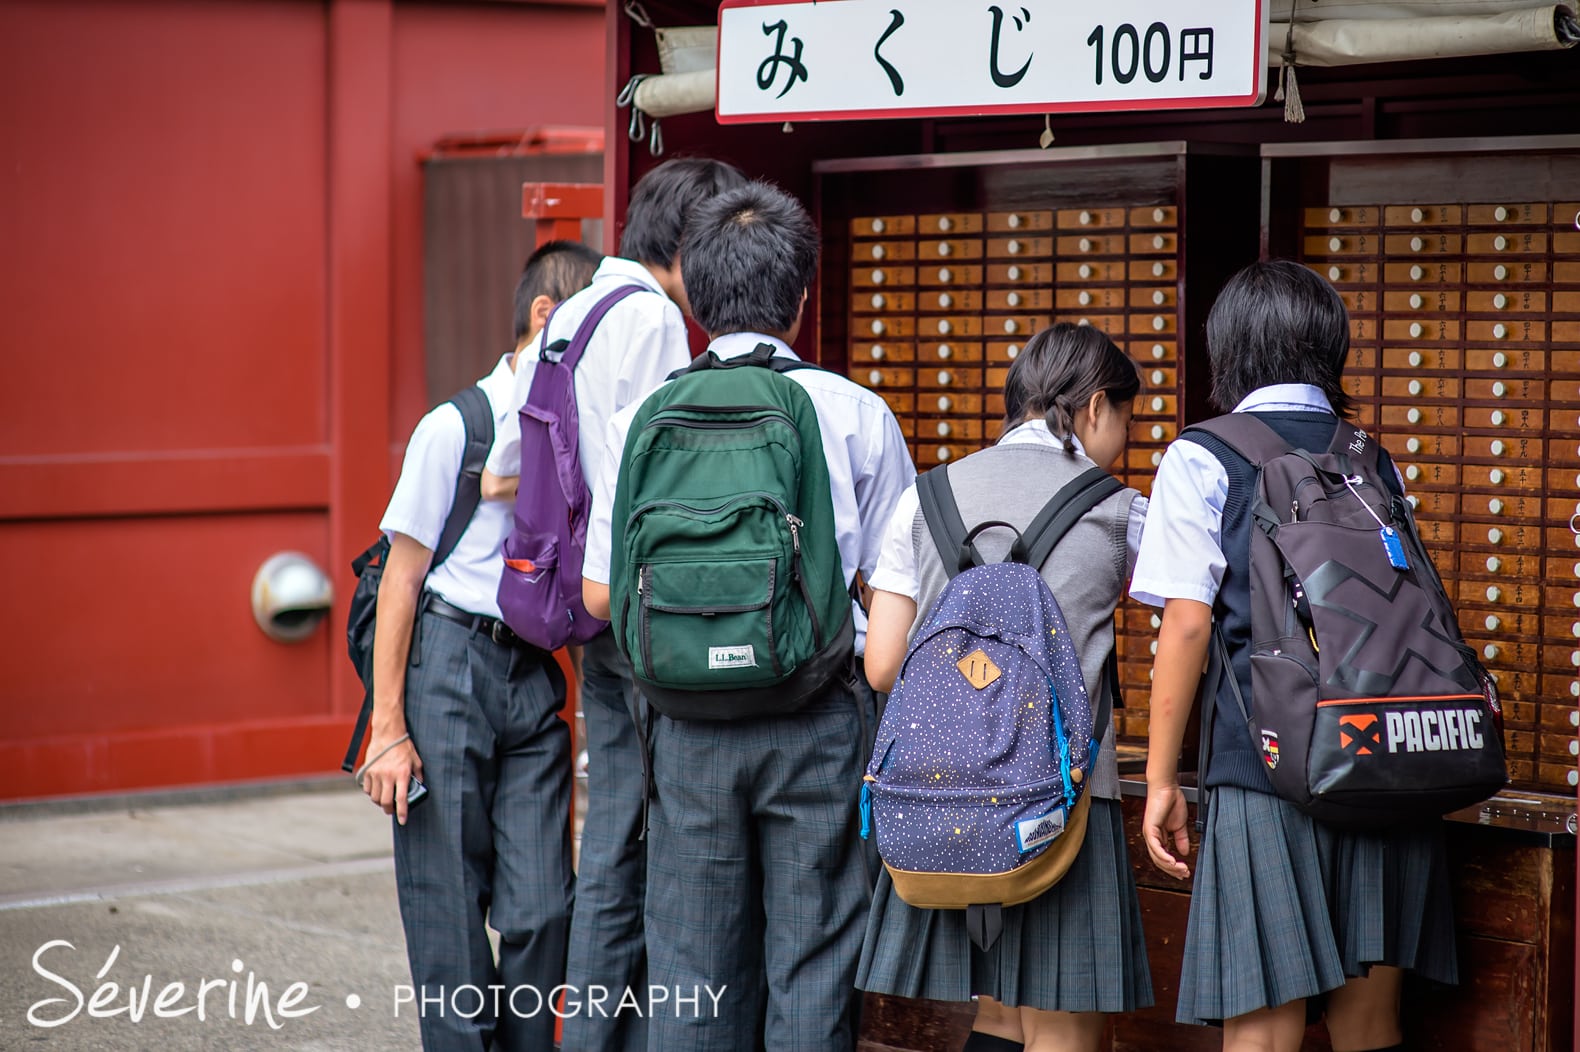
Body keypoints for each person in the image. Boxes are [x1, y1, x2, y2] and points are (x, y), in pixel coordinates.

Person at [581, 180, 915, 1052]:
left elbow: (605, 597)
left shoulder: (637, 424)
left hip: (685, 729)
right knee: (814, 962)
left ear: (689, 286)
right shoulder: (855, 415)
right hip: (816, 721)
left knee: (692, 973)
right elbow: (895, 594)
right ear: (803, 299)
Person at [1131, 260, 1457, 1052]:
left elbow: (1185, 626)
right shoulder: (1371, 459)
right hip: (1384, 754)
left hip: (1266, 767)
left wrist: (1162, 781)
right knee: (1371, 1022)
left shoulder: (1204, 456)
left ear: (1228, 348)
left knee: (1263, 1026)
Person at [481, 157, 747, 1052]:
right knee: (658, 836)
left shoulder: (579, 308)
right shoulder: (653, 321)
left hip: (581, 610)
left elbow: (510, 461)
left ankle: (590, 1036)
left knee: (610, 834)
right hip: (635, 610)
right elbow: (656, 472)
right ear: (685, 242)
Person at [855, 322, 1155, 1052]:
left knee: (993, 1010)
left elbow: (882, 665)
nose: (1125, 438)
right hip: (1067, 801)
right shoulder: (1119, 510)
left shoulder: (924, 498)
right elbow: (1188, 622)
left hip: (943, 797)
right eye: (1126, 419)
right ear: (1092, 409)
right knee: (1063, 1024)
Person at [358, 239, 602, 1052]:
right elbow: (401, 577)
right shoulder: (453, 428)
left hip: (533, 671)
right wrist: (388, 728)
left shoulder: (581, 425)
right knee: (448, 910)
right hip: (447, 663)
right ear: (546, 317)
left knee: (545, 910)